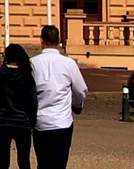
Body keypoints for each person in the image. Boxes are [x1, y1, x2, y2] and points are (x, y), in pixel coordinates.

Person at [31, 25, 88, 169]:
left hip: (40, 121)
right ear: (59, 40)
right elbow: (81, 90)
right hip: (62, 122)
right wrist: (77, 105)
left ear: (41, 40)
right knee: (59, 163)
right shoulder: (68, 63)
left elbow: (26, 91)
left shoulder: (33, 63)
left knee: (43, 163)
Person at [0, 44, 39, 169]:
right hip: (22, 122)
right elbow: (33, 103)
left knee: (3, 161)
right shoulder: (26, 76)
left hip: (3, 122)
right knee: (24, 161)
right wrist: (32, 123)